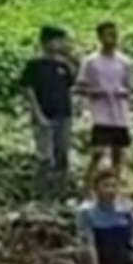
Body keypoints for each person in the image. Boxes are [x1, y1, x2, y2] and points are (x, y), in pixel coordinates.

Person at [77, 21, 133, 184]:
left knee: (118, 154)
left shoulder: (125, 62)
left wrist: (124, 93)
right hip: (100, 115)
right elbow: (80, 86)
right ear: (100, 37)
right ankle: (87, 187)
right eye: (109, 35)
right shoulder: (91, 62)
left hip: (120, 114)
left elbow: (131, 88)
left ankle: (113, 187)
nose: (113, 39)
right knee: (97, 152)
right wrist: (95, 92)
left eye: (115, 35)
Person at [22, 25, 77, 187]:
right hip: (44, 113)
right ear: (45, 42)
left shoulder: (63, 65)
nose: (61, 44)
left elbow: (72, 83)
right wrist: (37, 114)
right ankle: (42, 188)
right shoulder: (34, 65)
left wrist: (70, 58)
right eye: (58, 41)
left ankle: (61, 187)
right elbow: (28, 90)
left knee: (62, 151)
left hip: (64, 113)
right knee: (45, 154)